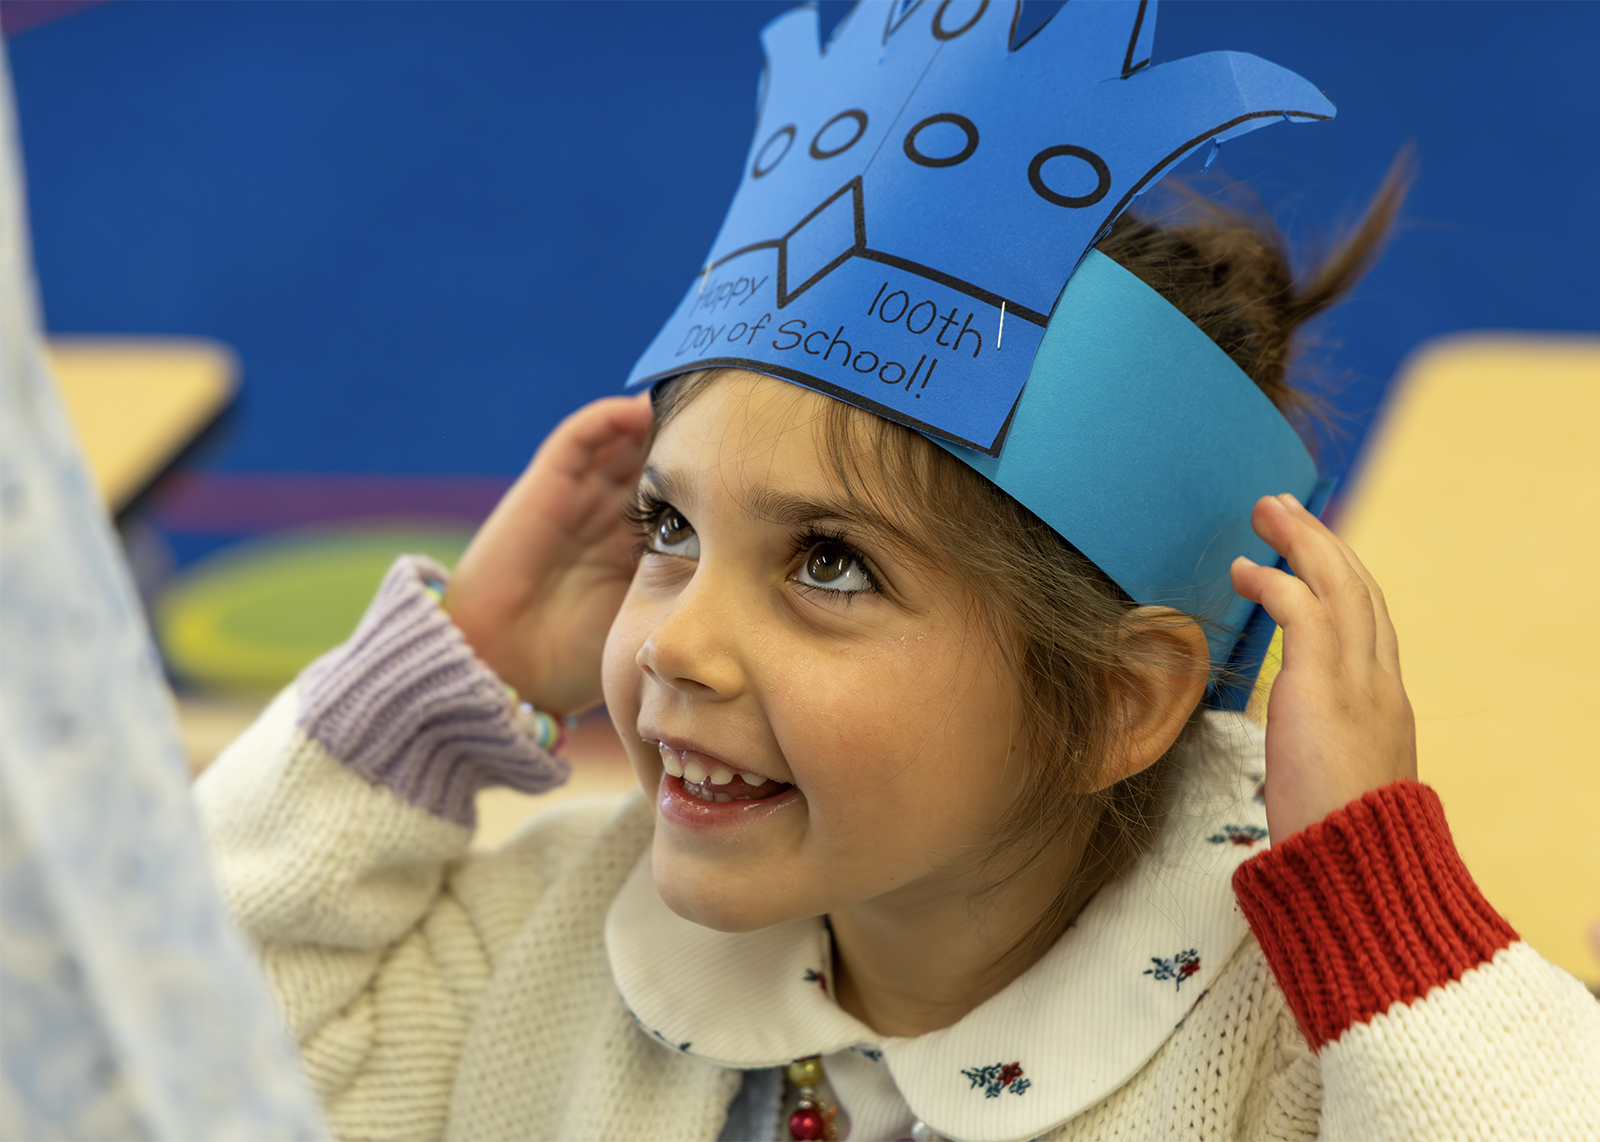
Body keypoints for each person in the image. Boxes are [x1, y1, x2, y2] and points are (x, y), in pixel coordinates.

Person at [196, 5, 1600, 1140]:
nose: (674, 641)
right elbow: (166, 1054)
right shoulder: (557, 944)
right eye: (669, 531)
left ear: (1115, 702)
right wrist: (423, 708)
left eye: (828, 562)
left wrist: (1380, 914)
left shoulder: (1295, 1055)